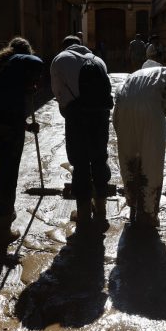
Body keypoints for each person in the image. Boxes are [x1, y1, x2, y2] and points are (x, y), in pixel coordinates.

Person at [0, 37, 44, 243]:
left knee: (6, 166)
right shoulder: (17, 63)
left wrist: (24, 125)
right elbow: (38, 63)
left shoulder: (1, 69)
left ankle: (7, 215)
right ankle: (3, 228)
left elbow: (4, 107)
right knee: (8, 174)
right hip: (3, 125)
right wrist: (32, 78)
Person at [50, 35, 114, 230]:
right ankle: (101, 212)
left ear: (64, 46)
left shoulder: (60, 59)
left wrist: (68, 111)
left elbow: (58, 94)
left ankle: (84, 213)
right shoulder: (98, 60)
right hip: (101, 117)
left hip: (77, 117)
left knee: (80, 162)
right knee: (99, 159)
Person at [113, 54, 166, 227]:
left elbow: (118, 100)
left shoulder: (131, 78)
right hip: (150, 112)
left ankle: (133, 205)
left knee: (129, 161)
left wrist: (121, 132)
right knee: (151, 163)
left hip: (125, 112)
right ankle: (149, 215)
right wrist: (165, 109)